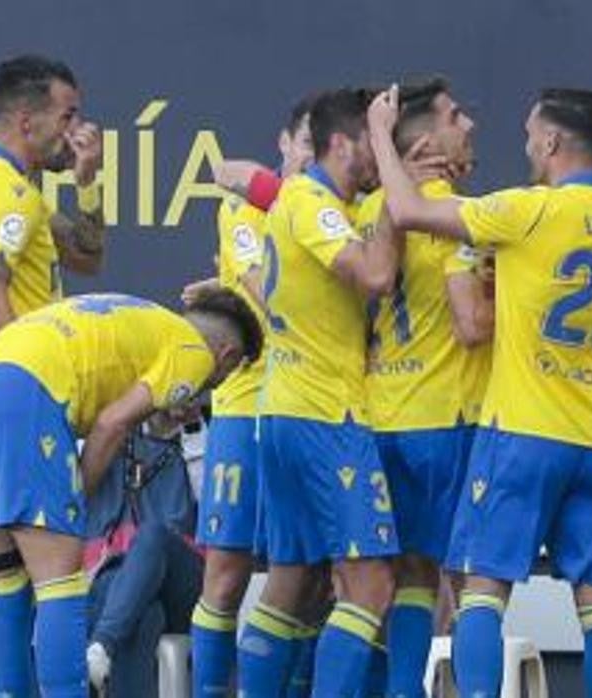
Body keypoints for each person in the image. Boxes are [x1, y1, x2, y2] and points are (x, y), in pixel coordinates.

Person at [368, 86, 592, 698]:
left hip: (523, 433)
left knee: (482, 589)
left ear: (551, 142)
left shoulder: (528, 210)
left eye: (530, 135)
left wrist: (379, 133)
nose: (525, 145)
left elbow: (409, 210)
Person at [0, 291, 262, 697]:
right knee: (61, 583)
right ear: (228, 356)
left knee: (6, 580)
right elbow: (111, 424)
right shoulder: (193, 352)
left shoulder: (143, 319)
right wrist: (74, 502)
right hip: (21, 399)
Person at [237, 87, 403, 697]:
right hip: (323, 415)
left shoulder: (313, 201)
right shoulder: (310, 200)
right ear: (342, 144)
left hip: (286, 408)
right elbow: (377, 275)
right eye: (372, 141)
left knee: (294, 583)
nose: (377, 155)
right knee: (369, 585)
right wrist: (395, 190)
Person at [355, 77, 494, 697]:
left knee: (410, 576)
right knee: (469, 583)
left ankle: (404, 691)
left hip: (384, 418)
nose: (471, 124)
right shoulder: (456, 215)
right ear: (427, 139)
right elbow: (471, 327)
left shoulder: (366, 212)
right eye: (457, 114)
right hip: (447, 420)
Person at [181, 93, 316, 698]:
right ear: (284, 144)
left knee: (313, 576)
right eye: (304, 145)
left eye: (322, 149)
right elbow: (268, 302)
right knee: (227, 570)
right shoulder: (245, 209)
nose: (309, 160)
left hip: (307, 410)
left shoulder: (331, 213)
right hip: (244, 410)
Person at [0, 53, 105, 395]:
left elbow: (87, 258)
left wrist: (87, 184)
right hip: (5, 397)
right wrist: (31, 386)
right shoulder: (8, 194)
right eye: (67, 117)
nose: (78, 131)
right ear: (27, 123)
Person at [83, 415, 205, 697]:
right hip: (114, 581)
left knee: (153, 535)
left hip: (181, 580)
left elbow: (213, 510)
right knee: (145, 613)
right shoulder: (112, 430)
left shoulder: (206, 434)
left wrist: (193, 434)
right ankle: (100, 652)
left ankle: (101, 645)